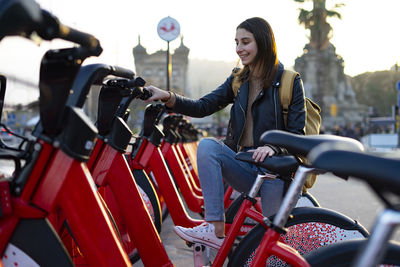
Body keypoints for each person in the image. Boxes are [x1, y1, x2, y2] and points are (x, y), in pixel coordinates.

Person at [145, 17, 306, 250]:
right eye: (237, 42)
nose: (239, 48)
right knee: (209, 146)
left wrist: (274, 147)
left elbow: (297, 136)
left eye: (245, 42)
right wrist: (168, 96)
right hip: (247, 168)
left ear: (262, 42)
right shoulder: (238, 80)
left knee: (274, 245)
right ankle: (214, 229)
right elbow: (203, 106)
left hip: (276, 173)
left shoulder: (289, 81)